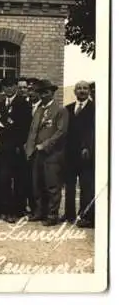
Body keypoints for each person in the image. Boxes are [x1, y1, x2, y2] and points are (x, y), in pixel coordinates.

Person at [25, 79, 69, 226]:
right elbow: (33, 131)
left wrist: (45, 145)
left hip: (52, 154)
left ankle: (52, 214)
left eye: (46, 92)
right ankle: (39, 212)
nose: (43, 95)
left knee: (52, 185)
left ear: (52, 93)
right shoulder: (39, 110)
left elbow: (60, 132)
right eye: (41, 92)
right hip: (36, 152)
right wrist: (29, 148)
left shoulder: (60, 110)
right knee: (37, 184)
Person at [0, 77, 32, 217]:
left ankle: (18, 209)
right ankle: (6, 209)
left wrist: (18, 144)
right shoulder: (1, 103)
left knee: (19, 179)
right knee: (5, 178)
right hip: (3, 146)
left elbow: (24, 127)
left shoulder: (23, 103)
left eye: (11, 86)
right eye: (5, 86)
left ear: (15, 87)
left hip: (17, 147)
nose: (8, 89)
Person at [63, 81, 95, 228]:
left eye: (85, 88)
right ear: (75, 91)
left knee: (86, 185)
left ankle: (86, 215)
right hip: (69, 153)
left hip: (85, 154)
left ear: (89, 91)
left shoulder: (95, 108)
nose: (82, 91)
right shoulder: (68, 109)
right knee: (69, 185)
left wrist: (88, 147)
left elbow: (94, 131)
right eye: (79, 89)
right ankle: (69, 214)